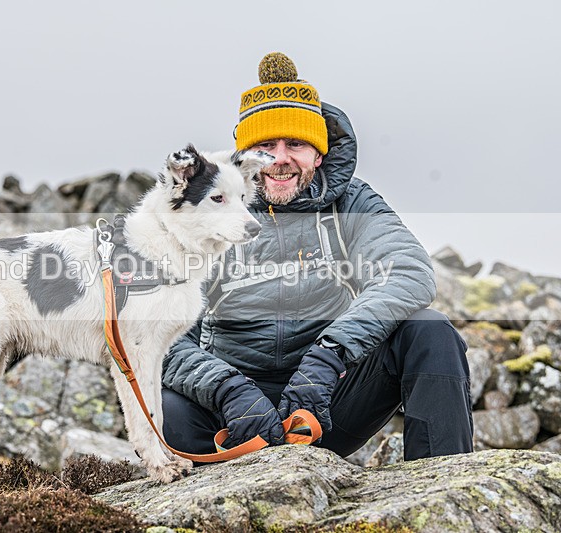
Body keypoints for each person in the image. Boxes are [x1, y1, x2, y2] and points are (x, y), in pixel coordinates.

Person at [161, 52, 473, 460]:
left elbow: (409, 273)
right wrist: (228, 389)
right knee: (165, 406)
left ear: (319, 154)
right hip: (232, 415)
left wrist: (329, 356)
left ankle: (442, 485)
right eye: (265, 146)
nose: (281, 158)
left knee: (430, 332)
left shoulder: (353, 203)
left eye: (296, 144)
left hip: (327, 401)